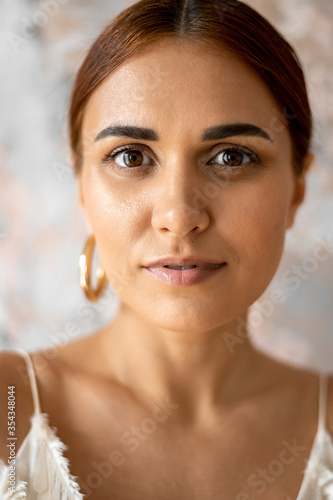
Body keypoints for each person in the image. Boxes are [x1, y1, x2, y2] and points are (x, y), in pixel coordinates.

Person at [1, 0, 332, 498]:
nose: (179, 215)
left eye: (231, 156)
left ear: (297, 187)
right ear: (82, 187)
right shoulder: (7, 407)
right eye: (130, 156)